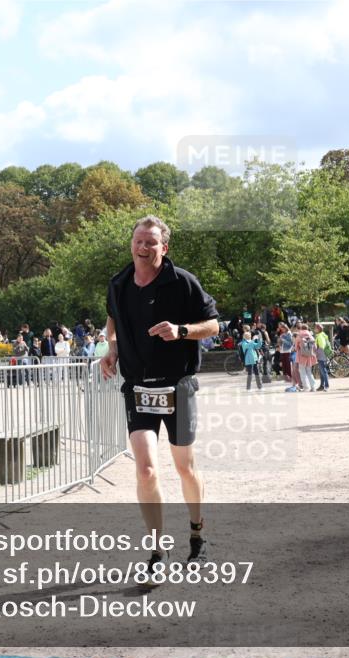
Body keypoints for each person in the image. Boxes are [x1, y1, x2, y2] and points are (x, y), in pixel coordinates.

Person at [100, 215, 219, 570]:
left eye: (151, 242)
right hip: (138, 387)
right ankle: (157, 550)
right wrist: (112, 349)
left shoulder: (183, 282)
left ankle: (197, 533)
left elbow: (213, 325)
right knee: (146, 470)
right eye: (138, 240)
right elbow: (112, 320)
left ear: (163, 248)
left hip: (178, 385)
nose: (143, 247)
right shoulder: (118, 283)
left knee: (185, 467)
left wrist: (182, 331)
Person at [294, 324, 318, 392]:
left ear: (301, 328)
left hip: (301, 356)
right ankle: (313, 387)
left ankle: (306, 387)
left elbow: (296, 348)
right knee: (309, 372)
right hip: (309, 356)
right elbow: (315, 347)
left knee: (302, 372)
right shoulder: (311, 336)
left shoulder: (299, 336)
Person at [313, 323, 331, 391]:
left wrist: (317, 353)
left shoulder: (320, 336)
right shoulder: (323, 335)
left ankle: (326, 386)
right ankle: (322, 386)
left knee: (323, 371)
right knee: (322, 371)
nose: (314, 329)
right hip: (323, 355)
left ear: (318, 329)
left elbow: (322, 346)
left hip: (321, 355)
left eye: (315, 328)